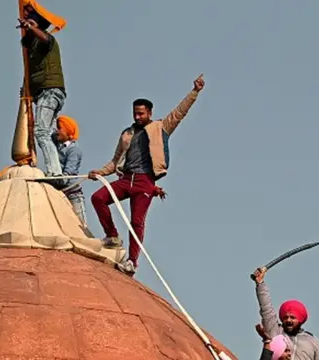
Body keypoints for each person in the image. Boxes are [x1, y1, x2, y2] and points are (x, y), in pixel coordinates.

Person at [88, 74, 205, 275]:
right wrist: (99, 172)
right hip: (126, 179)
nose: (137, 117)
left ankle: (132, 262)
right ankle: (112, 236)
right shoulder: (127, 133)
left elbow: (179, 113)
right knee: (97, 198)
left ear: (149, 113)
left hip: (144, 181)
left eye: (141, 114)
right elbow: (115, 161)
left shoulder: (160, 128)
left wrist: (194, 92)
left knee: (136, 221)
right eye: (135, 113)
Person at [18, 3, 66, 178]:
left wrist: (31, 27)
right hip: (44, 94)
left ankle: (55, 172)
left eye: (30, 20)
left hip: (50, 92)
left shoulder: (46, 39)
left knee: (41, 132)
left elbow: (45, 39)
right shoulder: (33, 47)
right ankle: (60, 167)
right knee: (50, 135)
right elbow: (30, 71)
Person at [252, 268, 319, 360]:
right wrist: (260, 283)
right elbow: (266, 308)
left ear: (300, 320)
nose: (288, 320)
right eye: (286, 317)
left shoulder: (312, 341)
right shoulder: (275, 331)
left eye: (292, 317)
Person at [53, 115, 87, 225]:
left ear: (67, 130)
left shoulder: (73, 150)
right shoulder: (58, 145)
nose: (57, 131)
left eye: (60, 128)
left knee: (81, 226)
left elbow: (69, 172)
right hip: (59, 191)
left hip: (72, 193)